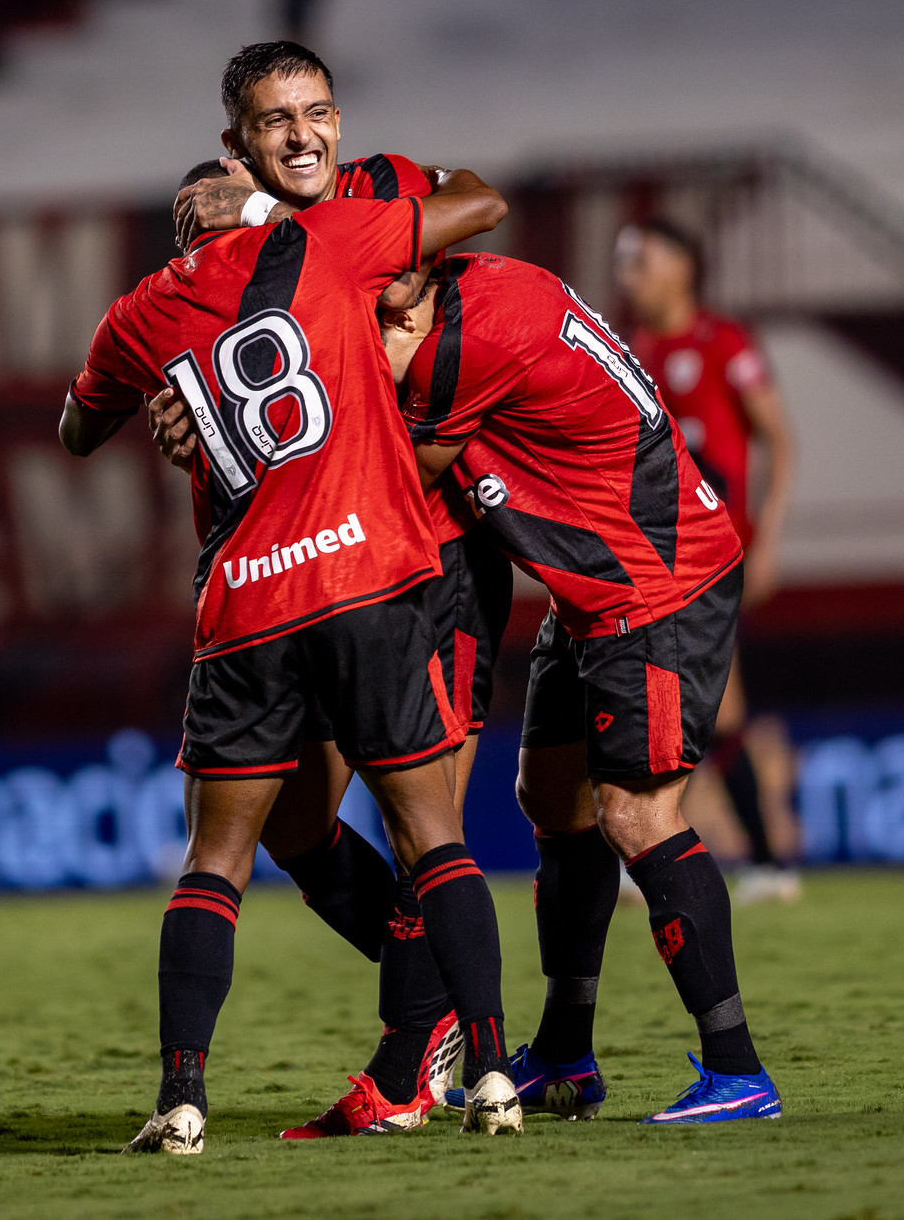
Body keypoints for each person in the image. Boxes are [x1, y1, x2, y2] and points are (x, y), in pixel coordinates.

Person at [153, 228, 784, 1127]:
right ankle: (564, 1052)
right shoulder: (466, 298)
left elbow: (379, 478)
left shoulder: (463, 344)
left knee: (635, 813)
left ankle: (735, 1067)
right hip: (588, 592)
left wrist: (215, 425)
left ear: (406, 302)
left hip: (653, 584)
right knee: (554, 802)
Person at [59, 41, 521, 1153]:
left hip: (421, 561)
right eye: (275, 124)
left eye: (317, 114)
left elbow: (481, 206)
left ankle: (414, 1059)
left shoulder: (374, 193)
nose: (302, 135)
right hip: (344, 572)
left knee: (400, 835)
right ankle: (461, 1026)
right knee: (314, 831)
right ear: (239, 146)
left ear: (340, 122)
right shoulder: (320, 240)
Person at [620, 219, 802, 905]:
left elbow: (780, 444)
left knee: (711, 705)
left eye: (639, 257)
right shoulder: (630, 348)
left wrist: (769, 544)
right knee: (684, 704)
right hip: (653, 563)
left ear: (683, 265)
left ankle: (758, 862)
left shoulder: (724, 343)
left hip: (714, 560)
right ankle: (755, 862)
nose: (628, 272)